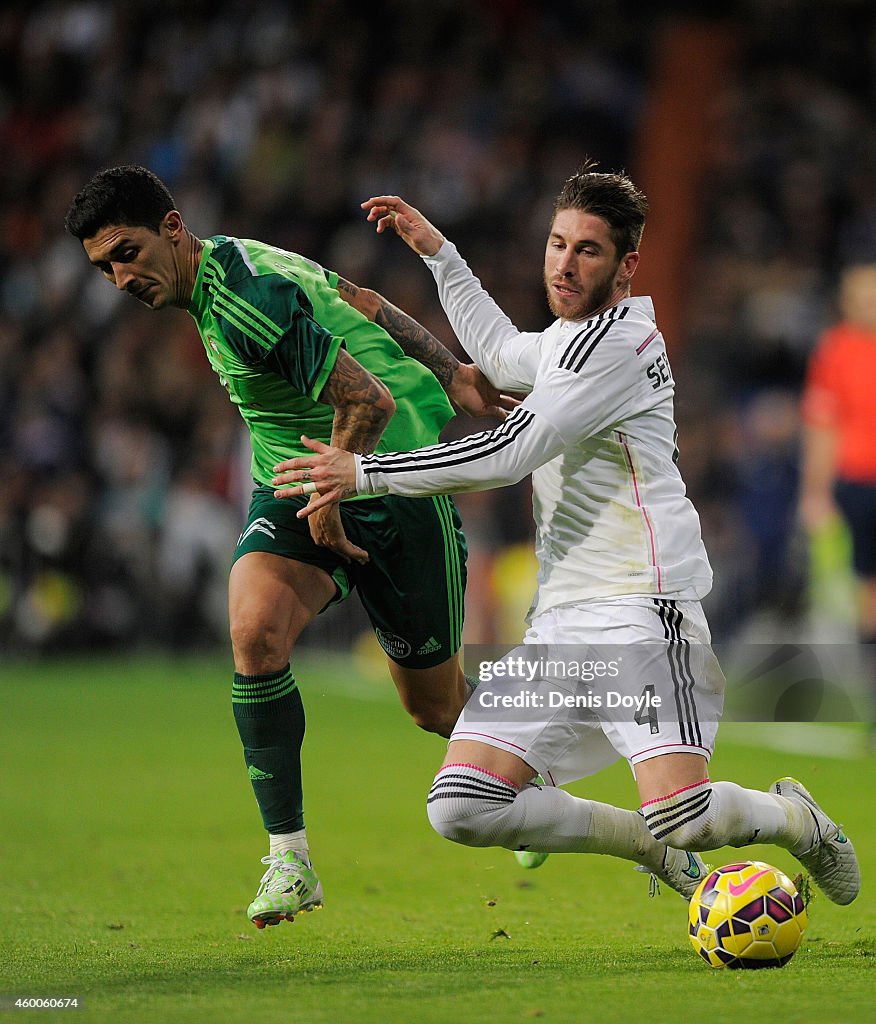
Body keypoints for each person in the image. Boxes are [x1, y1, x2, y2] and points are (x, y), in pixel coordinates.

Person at [272, 162, 861, 906]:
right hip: (560, 625)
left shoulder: (618, 346)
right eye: (557, 244)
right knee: (462, 804)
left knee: (685, 812)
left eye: (587, 249)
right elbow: (499, 353)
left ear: (626, 265)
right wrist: (440, 254)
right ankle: (646, 847)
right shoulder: (565, 343)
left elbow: (508, 452)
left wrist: (364, 473)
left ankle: (795, 817)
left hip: (640, 613)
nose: (564, 263)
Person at [64, 164, 515, 929]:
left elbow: (366, 400)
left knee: (436, 710)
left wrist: (338, 498)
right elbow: (364, 304)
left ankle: (528, 785)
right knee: (254, 631)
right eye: (104, 266)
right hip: (298, 477)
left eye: (126, 253)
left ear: (173, 230)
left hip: (387, 483)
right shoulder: (235, 261)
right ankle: (290, 857)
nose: (118, 278)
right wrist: (457, 372)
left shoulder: (243, 301)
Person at [800, 262, 876, 744]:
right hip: (858, 484)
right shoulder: (837, 349)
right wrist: (814, 492)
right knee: (868, 594)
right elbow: (821, 426)